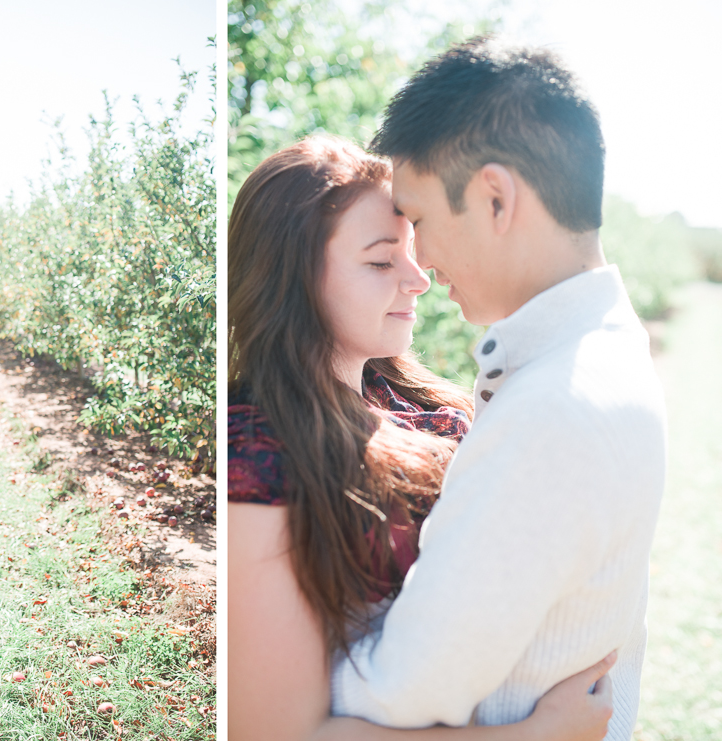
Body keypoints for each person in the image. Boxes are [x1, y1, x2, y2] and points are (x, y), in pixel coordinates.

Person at [329, 38, 666, 737]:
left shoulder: (553, 413)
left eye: (417, 221)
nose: (416, 263)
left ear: (494, 197)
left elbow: (396, 694)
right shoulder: (609, 352)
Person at [229, 136, 615, 741]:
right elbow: (279, 731)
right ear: (293, 277)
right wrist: (538, 735)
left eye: (413, 253)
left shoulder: (427, 404)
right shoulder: (256, 453)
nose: (418, 280)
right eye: (382, 262)